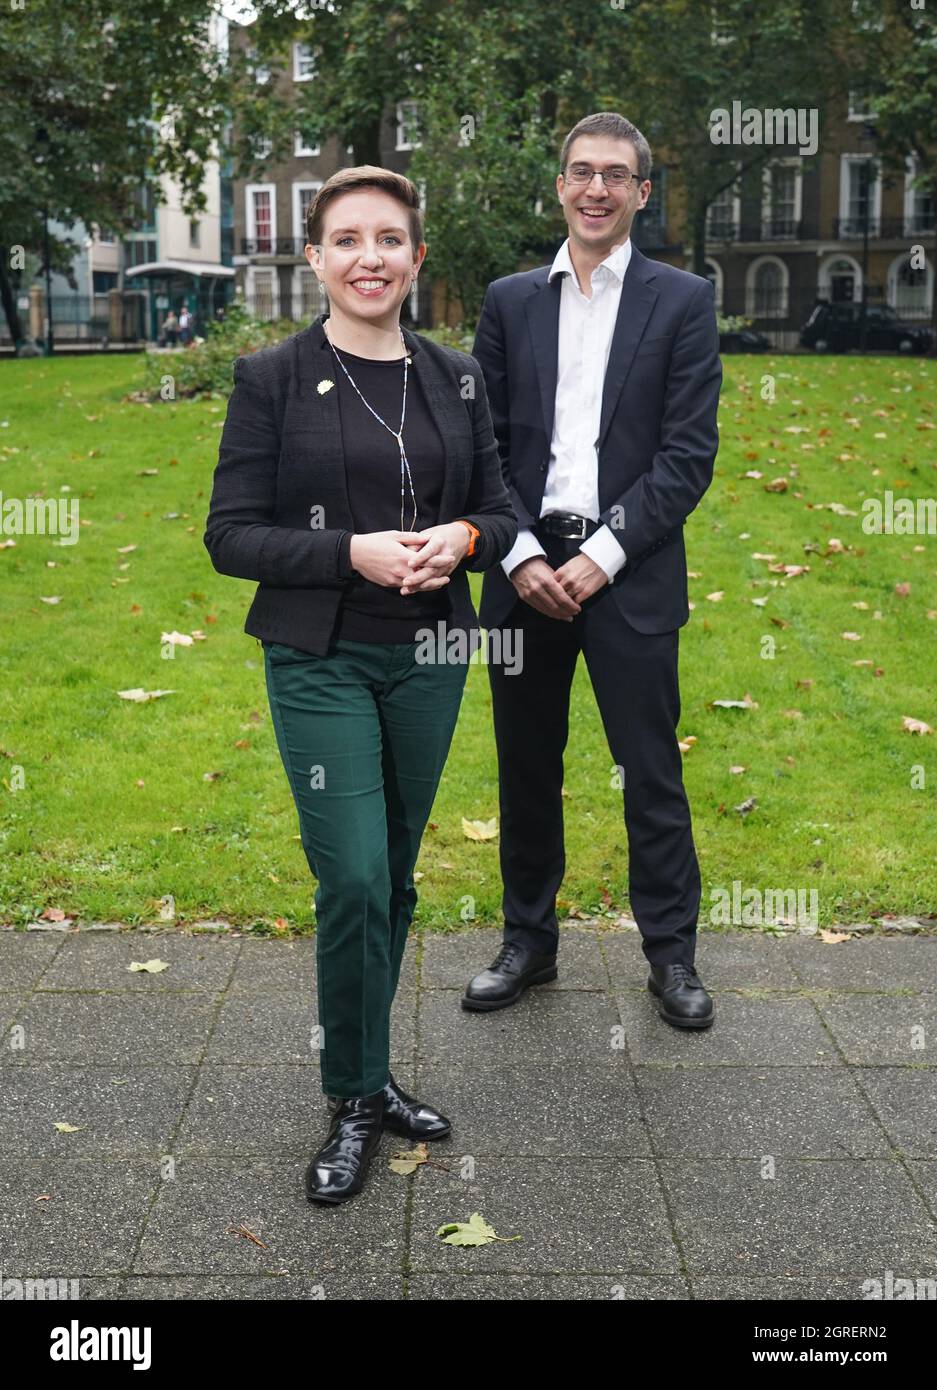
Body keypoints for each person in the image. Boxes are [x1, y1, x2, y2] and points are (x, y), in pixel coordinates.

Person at [203, 166, 517, 1205]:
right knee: (352, 880)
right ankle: (352, 1096)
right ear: (315, 258)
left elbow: (505, 511)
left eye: (389, 239)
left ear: (416, 257)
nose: (369, 257)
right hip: (320, 657)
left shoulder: (456, 375)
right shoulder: (273, 378)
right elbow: (230, 536)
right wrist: (354, 552)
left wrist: (464, 535)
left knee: (393, 870)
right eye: (346, 240)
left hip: (429, 656)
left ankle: (373, 1074)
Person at [467, 111, 722, 1029]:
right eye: (580, 172)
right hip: (523, 570)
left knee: (649, 770)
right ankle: (527, 943)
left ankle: (672, 956)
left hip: (632, 569)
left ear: (641, 193)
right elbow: (481, 445)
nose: (595, 189)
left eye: (615, 175)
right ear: (561, 185)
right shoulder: (509, 301)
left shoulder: (682, 301)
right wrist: (527, 553)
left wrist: (601, 558)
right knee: (525, 766)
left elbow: (687, 457)